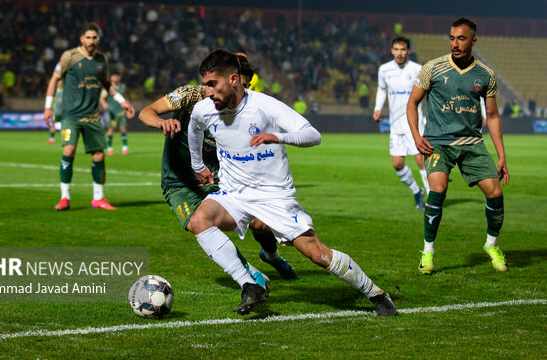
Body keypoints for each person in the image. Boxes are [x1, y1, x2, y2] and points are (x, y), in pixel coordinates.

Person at [188, 50, 397, 316]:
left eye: (211, 84)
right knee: (199, 221)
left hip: (273, 195)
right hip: (234, 192)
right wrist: (198, 166)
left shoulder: (265, 106)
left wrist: (277, 137)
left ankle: (376, 294)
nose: (207, 92)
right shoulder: (204, 109)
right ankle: (249, 284)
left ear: (233, 79)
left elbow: (312, 134)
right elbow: (194, 129)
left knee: (317, 254)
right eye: (205, 85)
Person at [138, 55, 297, 287]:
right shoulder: (191, 96)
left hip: (220, 179)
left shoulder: (248, 107)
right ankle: (250, 275)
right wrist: (160, 123)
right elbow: (146, 111)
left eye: (244, 86)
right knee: (199, 223)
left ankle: (272, 256)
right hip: (181, 181)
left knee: (261, 224)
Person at [407, 18, 510, 275]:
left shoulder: (485, 75)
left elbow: (493, 116)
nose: (455, 43)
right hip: (438, 143)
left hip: (472, 142)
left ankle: (491, 245)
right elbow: (412, 103)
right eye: (452, 38)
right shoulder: (433, 68)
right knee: (438, 189)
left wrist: (501, 155)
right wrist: (416, 136)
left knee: (495, 193)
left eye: (461, 39)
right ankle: (428, 252)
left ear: (473, 41)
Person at [43, 22, 135, 211]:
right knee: (68, 151)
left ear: (98, 39)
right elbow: (54, 79)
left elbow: (107, 83)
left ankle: (98, 198)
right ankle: (65, 198)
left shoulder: (102, 59)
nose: (91, 41)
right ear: (81, 39)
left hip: (93, 117)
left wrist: (122, 100)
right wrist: (48, 107)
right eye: (88, 37)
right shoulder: (69, 57)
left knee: (99, 155)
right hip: (71, 116)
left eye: (94, 38)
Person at [373, 36, 429, 210]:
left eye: (403, 49)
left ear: (408, 51)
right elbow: (382, 90)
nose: (399, 53)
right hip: (396, 124)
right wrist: (377, 108)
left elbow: (427, 93)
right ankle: (416, 190)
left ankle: (432, 200)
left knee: (421, 160)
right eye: (396, 49)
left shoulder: (418, 69)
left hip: (414, 123)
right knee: (397, 164)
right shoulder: (384, 70)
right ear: (391, 51)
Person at [100, 73, 133, 155]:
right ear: (111, 77)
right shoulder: (108, 87)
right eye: (114, 76)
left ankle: (125, 148)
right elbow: (102, 98)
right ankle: (110, 148)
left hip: (120, 111)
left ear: (119, 77)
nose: (115, 78)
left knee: (123, 129)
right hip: (112, 112)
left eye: (117, 76)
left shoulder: (122, 87)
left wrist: (128, 108)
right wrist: (104, 104)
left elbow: (125, 98)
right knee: (111, 130)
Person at [47, 79, 64, 144]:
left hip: (63, 112)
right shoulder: (55, 91)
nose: (60, 83)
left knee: (65, 126)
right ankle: (51, 140)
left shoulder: (65, 91)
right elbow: (53, 101)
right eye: (59, 82)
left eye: (61, 81)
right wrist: (51, 109)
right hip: (56, 111)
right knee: (52, 125)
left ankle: (65, 140)